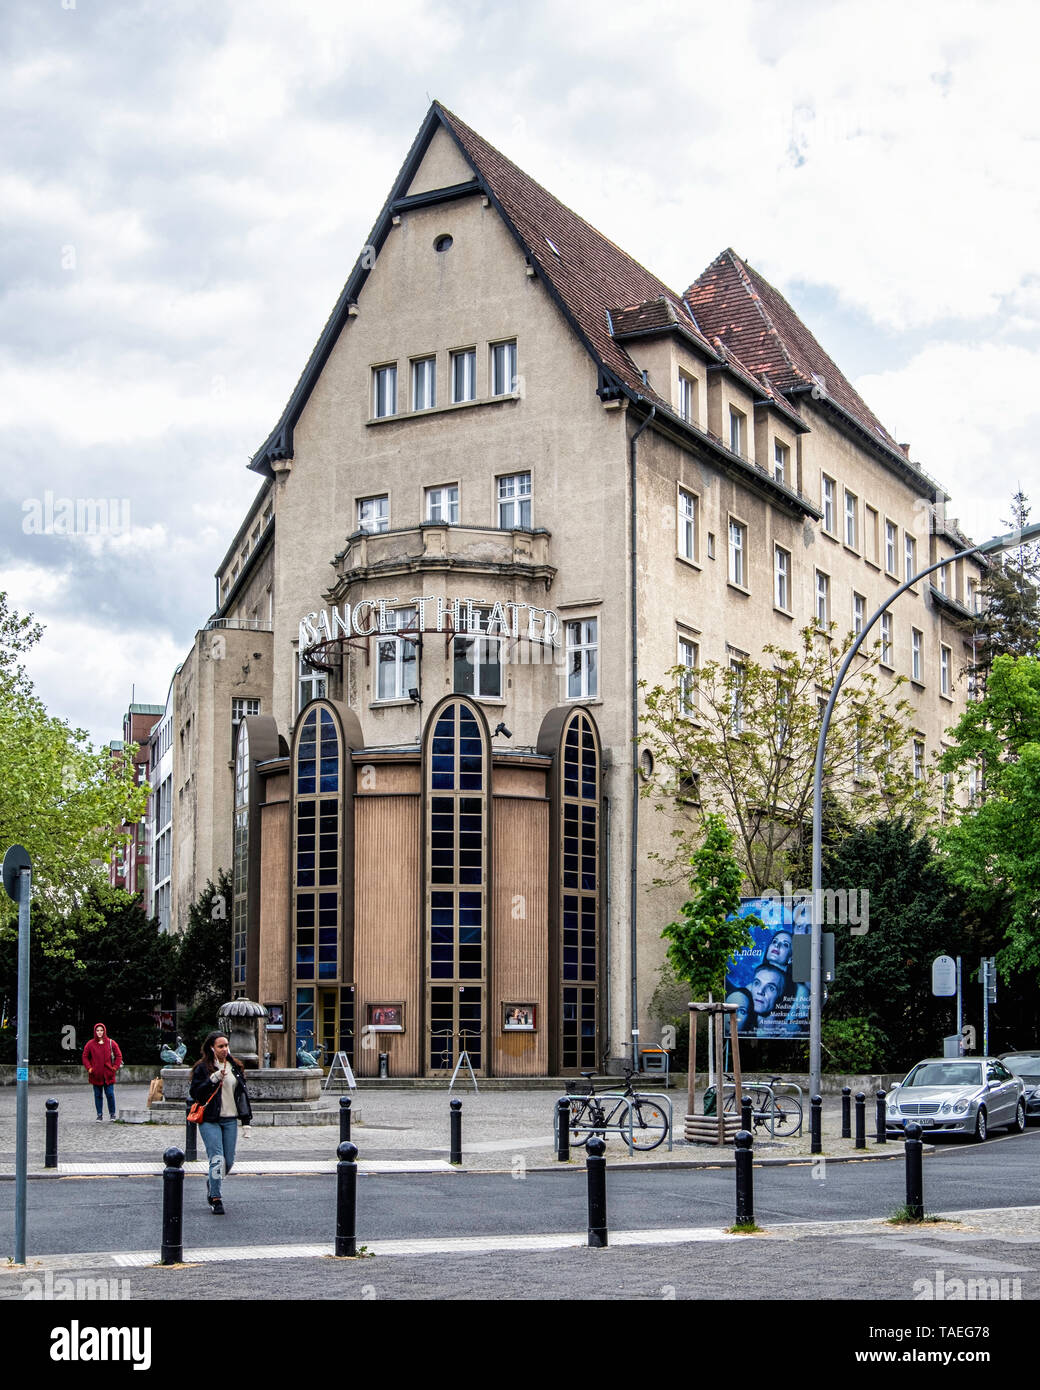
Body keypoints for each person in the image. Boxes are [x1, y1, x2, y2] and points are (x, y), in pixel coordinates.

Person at [188, 1031, 252, 1215]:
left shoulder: (235, 1067)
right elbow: (196, 1093)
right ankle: (216, 1198)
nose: (225, 1049)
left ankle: (212, 1181)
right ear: (211, 1048)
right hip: (209, 1119)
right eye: (220, 1046)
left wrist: (246, 1121)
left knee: (229, 1160)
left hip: (230, 1119)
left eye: (226, 1046)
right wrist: (213, 1079)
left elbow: (242, 1096)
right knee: (217, 1159)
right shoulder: (202, 1068)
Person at [81, 1022, 122, 1121]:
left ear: (104, 1031)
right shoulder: (90, 1044)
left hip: (108, 1075)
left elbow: (118, 1056)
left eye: (101, 1030)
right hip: (96, 1075)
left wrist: (115, 1068)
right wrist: (89, 1068)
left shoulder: (111, 1043)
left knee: (110, 1094)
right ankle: (99, 1115)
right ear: (95, 1031)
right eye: (98, 1030)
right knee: (98, 1095)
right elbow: (85, 1056)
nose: (99, 1032)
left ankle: (112, 1114)